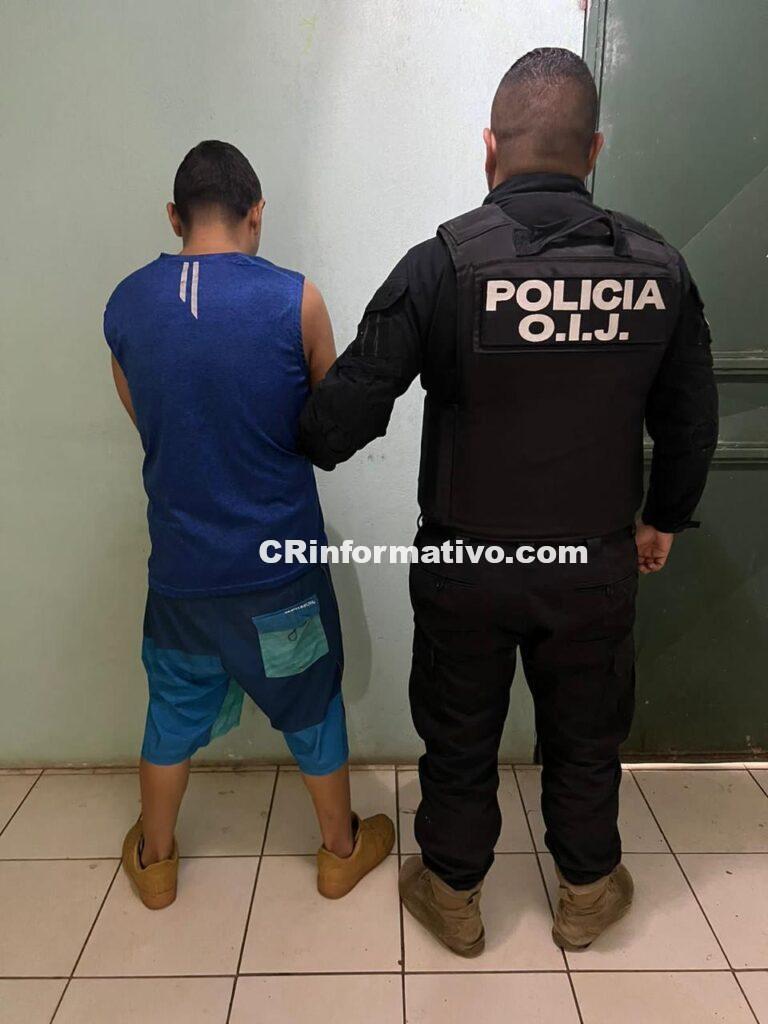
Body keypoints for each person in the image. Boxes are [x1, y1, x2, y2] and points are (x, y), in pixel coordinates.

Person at [299, 49, 718, 955]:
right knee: (587, 739)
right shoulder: (659, 269)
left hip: (467, 565)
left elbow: (337, 425)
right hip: (594, 564)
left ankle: (453, 897)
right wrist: (661, 519)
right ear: (594, 150)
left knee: (458, 737)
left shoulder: (441, 265)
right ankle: (586, 894)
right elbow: (692, 420)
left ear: (490, 147)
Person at [104, 140, 394, 910]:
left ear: (174, 216)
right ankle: (339, 854)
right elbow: (328, 423)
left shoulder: (125, 306)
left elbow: (150, 425)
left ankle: (156, 862)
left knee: (171, 711)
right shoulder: (297, 301)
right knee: (312, 707)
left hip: (183, 573)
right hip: (279, 573)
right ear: (256, 213)